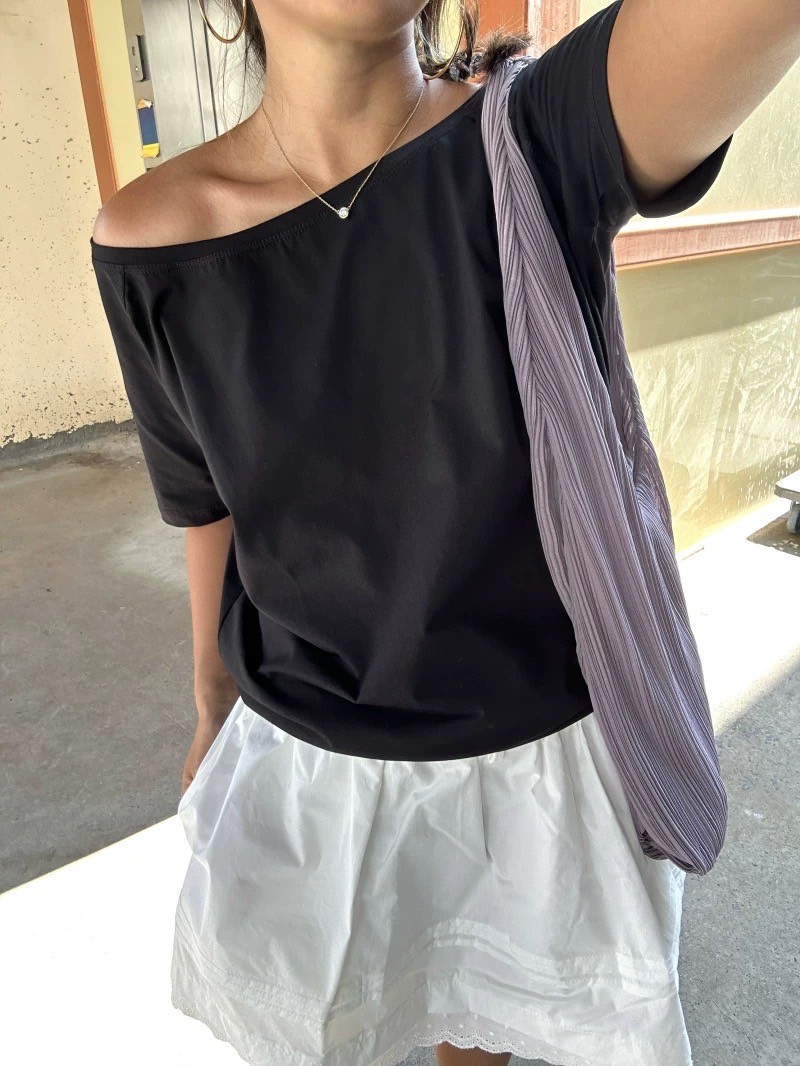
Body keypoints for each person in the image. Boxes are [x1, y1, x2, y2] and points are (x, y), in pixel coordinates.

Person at [89, 1, 799, 1063]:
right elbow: (204, 498)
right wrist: (210, 701)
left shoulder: (541, 137)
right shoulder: (149, 237)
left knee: (480, 1032)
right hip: (312, 754)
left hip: (532, 761)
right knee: (343, 1024)